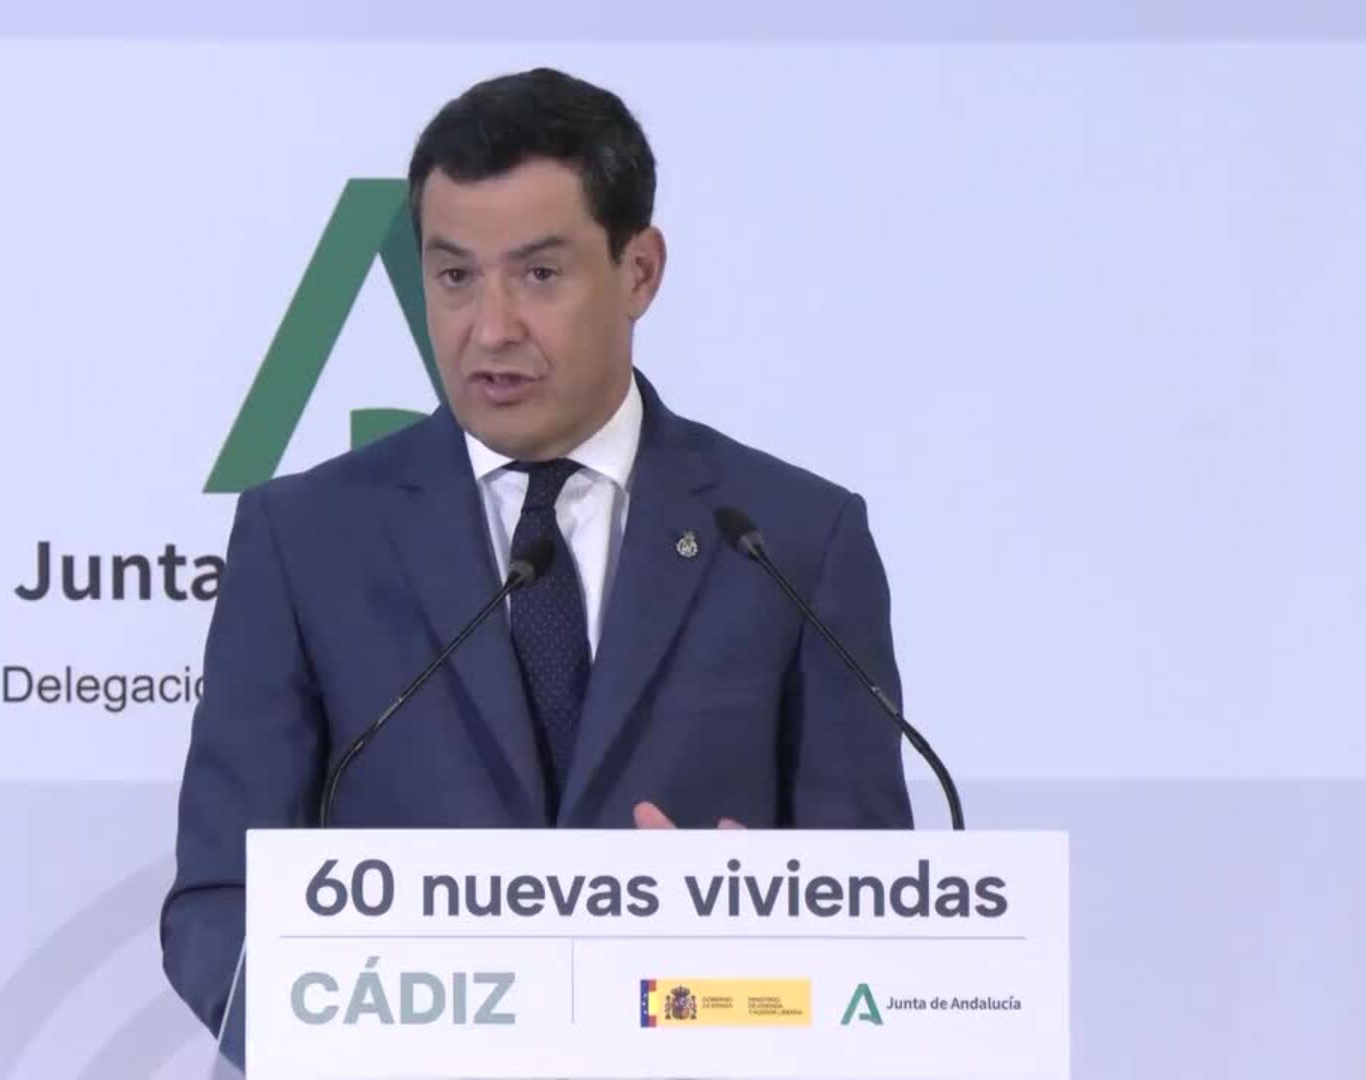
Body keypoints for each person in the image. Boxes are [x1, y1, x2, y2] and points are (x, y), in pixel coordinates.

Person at [161, 66, 912, 1063]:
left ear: (639, 271)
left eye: (540, 275)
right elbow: (221, 904)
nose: (492, 327)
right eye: (454, 277)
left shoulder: (792, 539)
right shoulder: (304, 539)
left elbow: (873, 913)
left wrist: (775, 939)